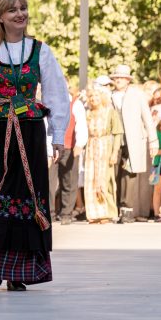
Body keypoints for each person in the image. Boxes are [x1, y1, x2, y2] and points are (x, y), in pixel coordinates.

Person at [0, 0, 70, 292]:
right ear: (0, 17)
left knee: (27, 197)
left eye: (23, 8)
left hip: (30, 130)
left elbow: (57, 93)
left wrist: (57, 135)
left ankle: (16, 270)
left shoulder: (40, 50)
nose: (20, 14)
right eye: (12, 10)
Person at [109, 65, 157, 223]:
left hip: (134, 139)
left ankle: (128, 211)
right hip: (115, 140)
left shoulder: (137, 94)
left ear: (128, 80)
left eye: (121, 78)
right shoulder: (110, 95)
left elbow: (147, 118)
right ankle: (116, 209)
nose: (118, 80)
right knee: (115, 174)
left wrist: (153, 140)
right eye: (116, 77)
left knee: (130, 175)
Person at [83, 86, 123, 223]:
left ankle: (107, 213)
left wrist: (114, 153)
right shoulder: (87, 113)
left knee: (104, 180)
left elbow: (118, 133)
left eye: (96, 96)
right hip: (90, 148)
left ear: (102, 97)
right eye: (91, 96)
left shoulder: (110, 112)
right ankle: (94, 213)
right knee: (90, 180)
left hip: (105, 146)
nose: (94, 99)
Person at [53, 80, 88, 225]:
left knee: (69, 181)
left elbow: (81, 124)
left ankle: (66, 213)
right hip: (52, 147)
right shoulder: (49, 102)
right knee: (49, 181)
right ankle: (50, 213)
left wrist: (79, 144)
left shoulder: (75, 103)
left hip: (69, 146)